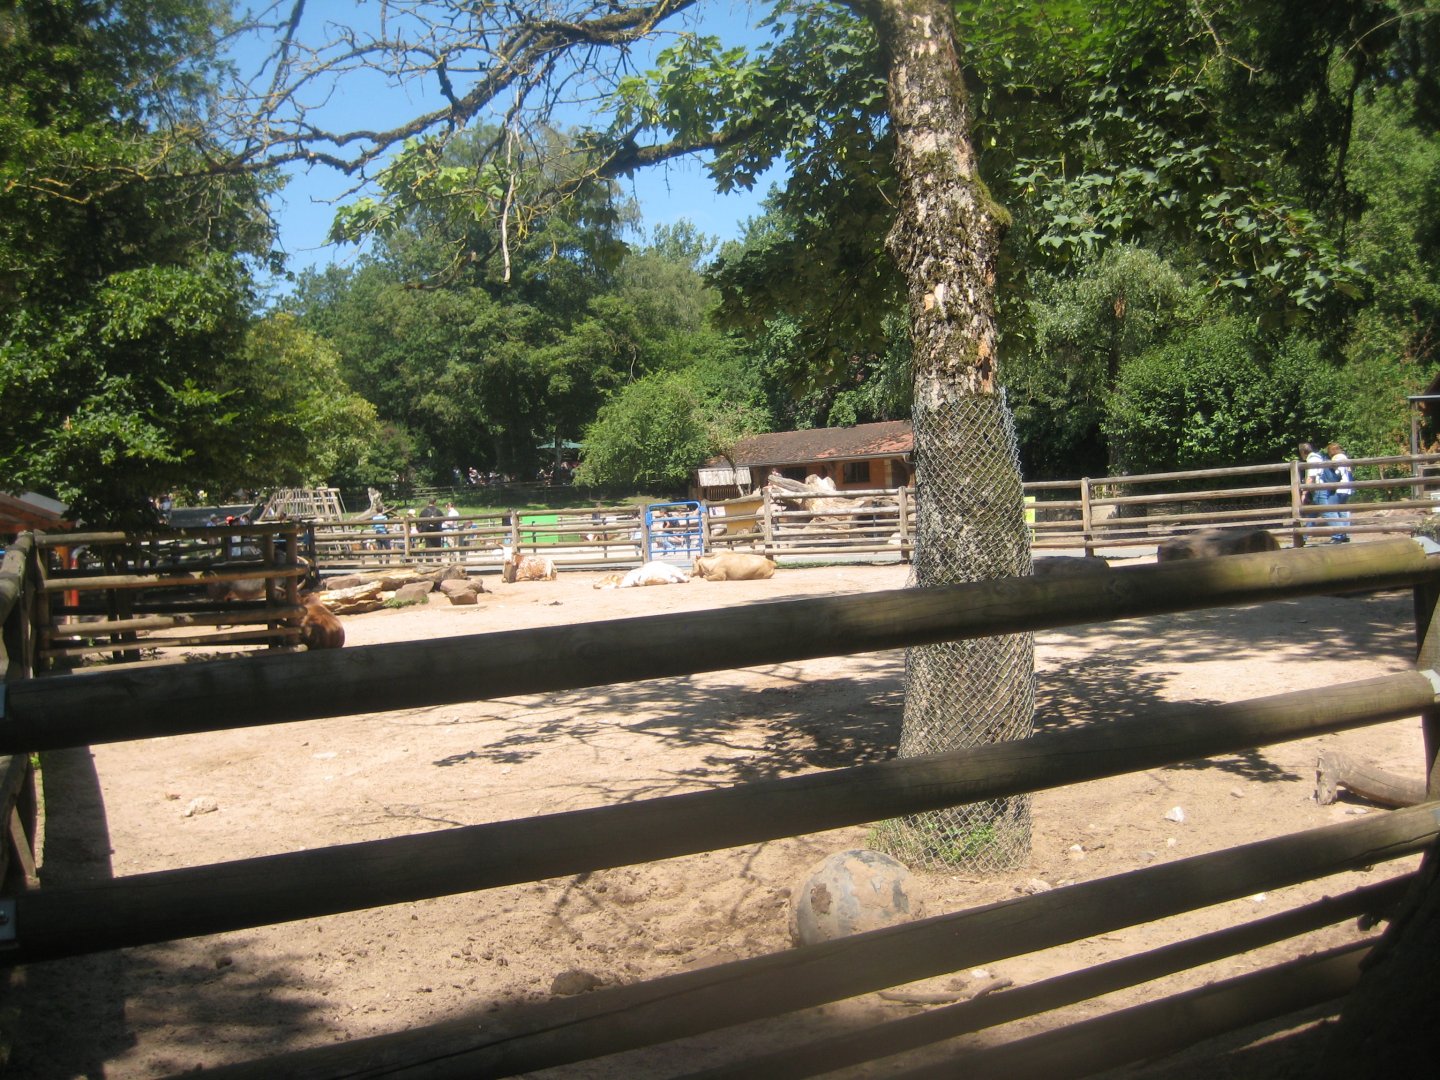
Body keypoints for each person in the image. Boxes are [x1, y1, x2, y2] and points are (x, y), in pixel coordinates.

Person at [1299, 440, 1334, 542]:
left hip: (1319, 489)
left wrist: (1304, 492)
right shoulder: (1317, 457)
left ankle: (1340, 533)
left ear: (1303, 452)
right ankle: (1304, 536)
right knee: (1313, 514)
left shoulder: (1312, 459)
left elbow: (1311, 477)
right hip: (1319, 489)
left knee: (1327, 512)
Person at [1327, 441, 1354, 543]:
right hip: (1347, 487)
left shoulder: (1336, 458)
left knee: (1331, 509)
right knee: (1343, 510)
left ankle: (1337, 535)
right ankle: (1346, 533)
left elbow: (1337, 473)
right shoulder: (1345, 458)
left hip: (1340, 487)